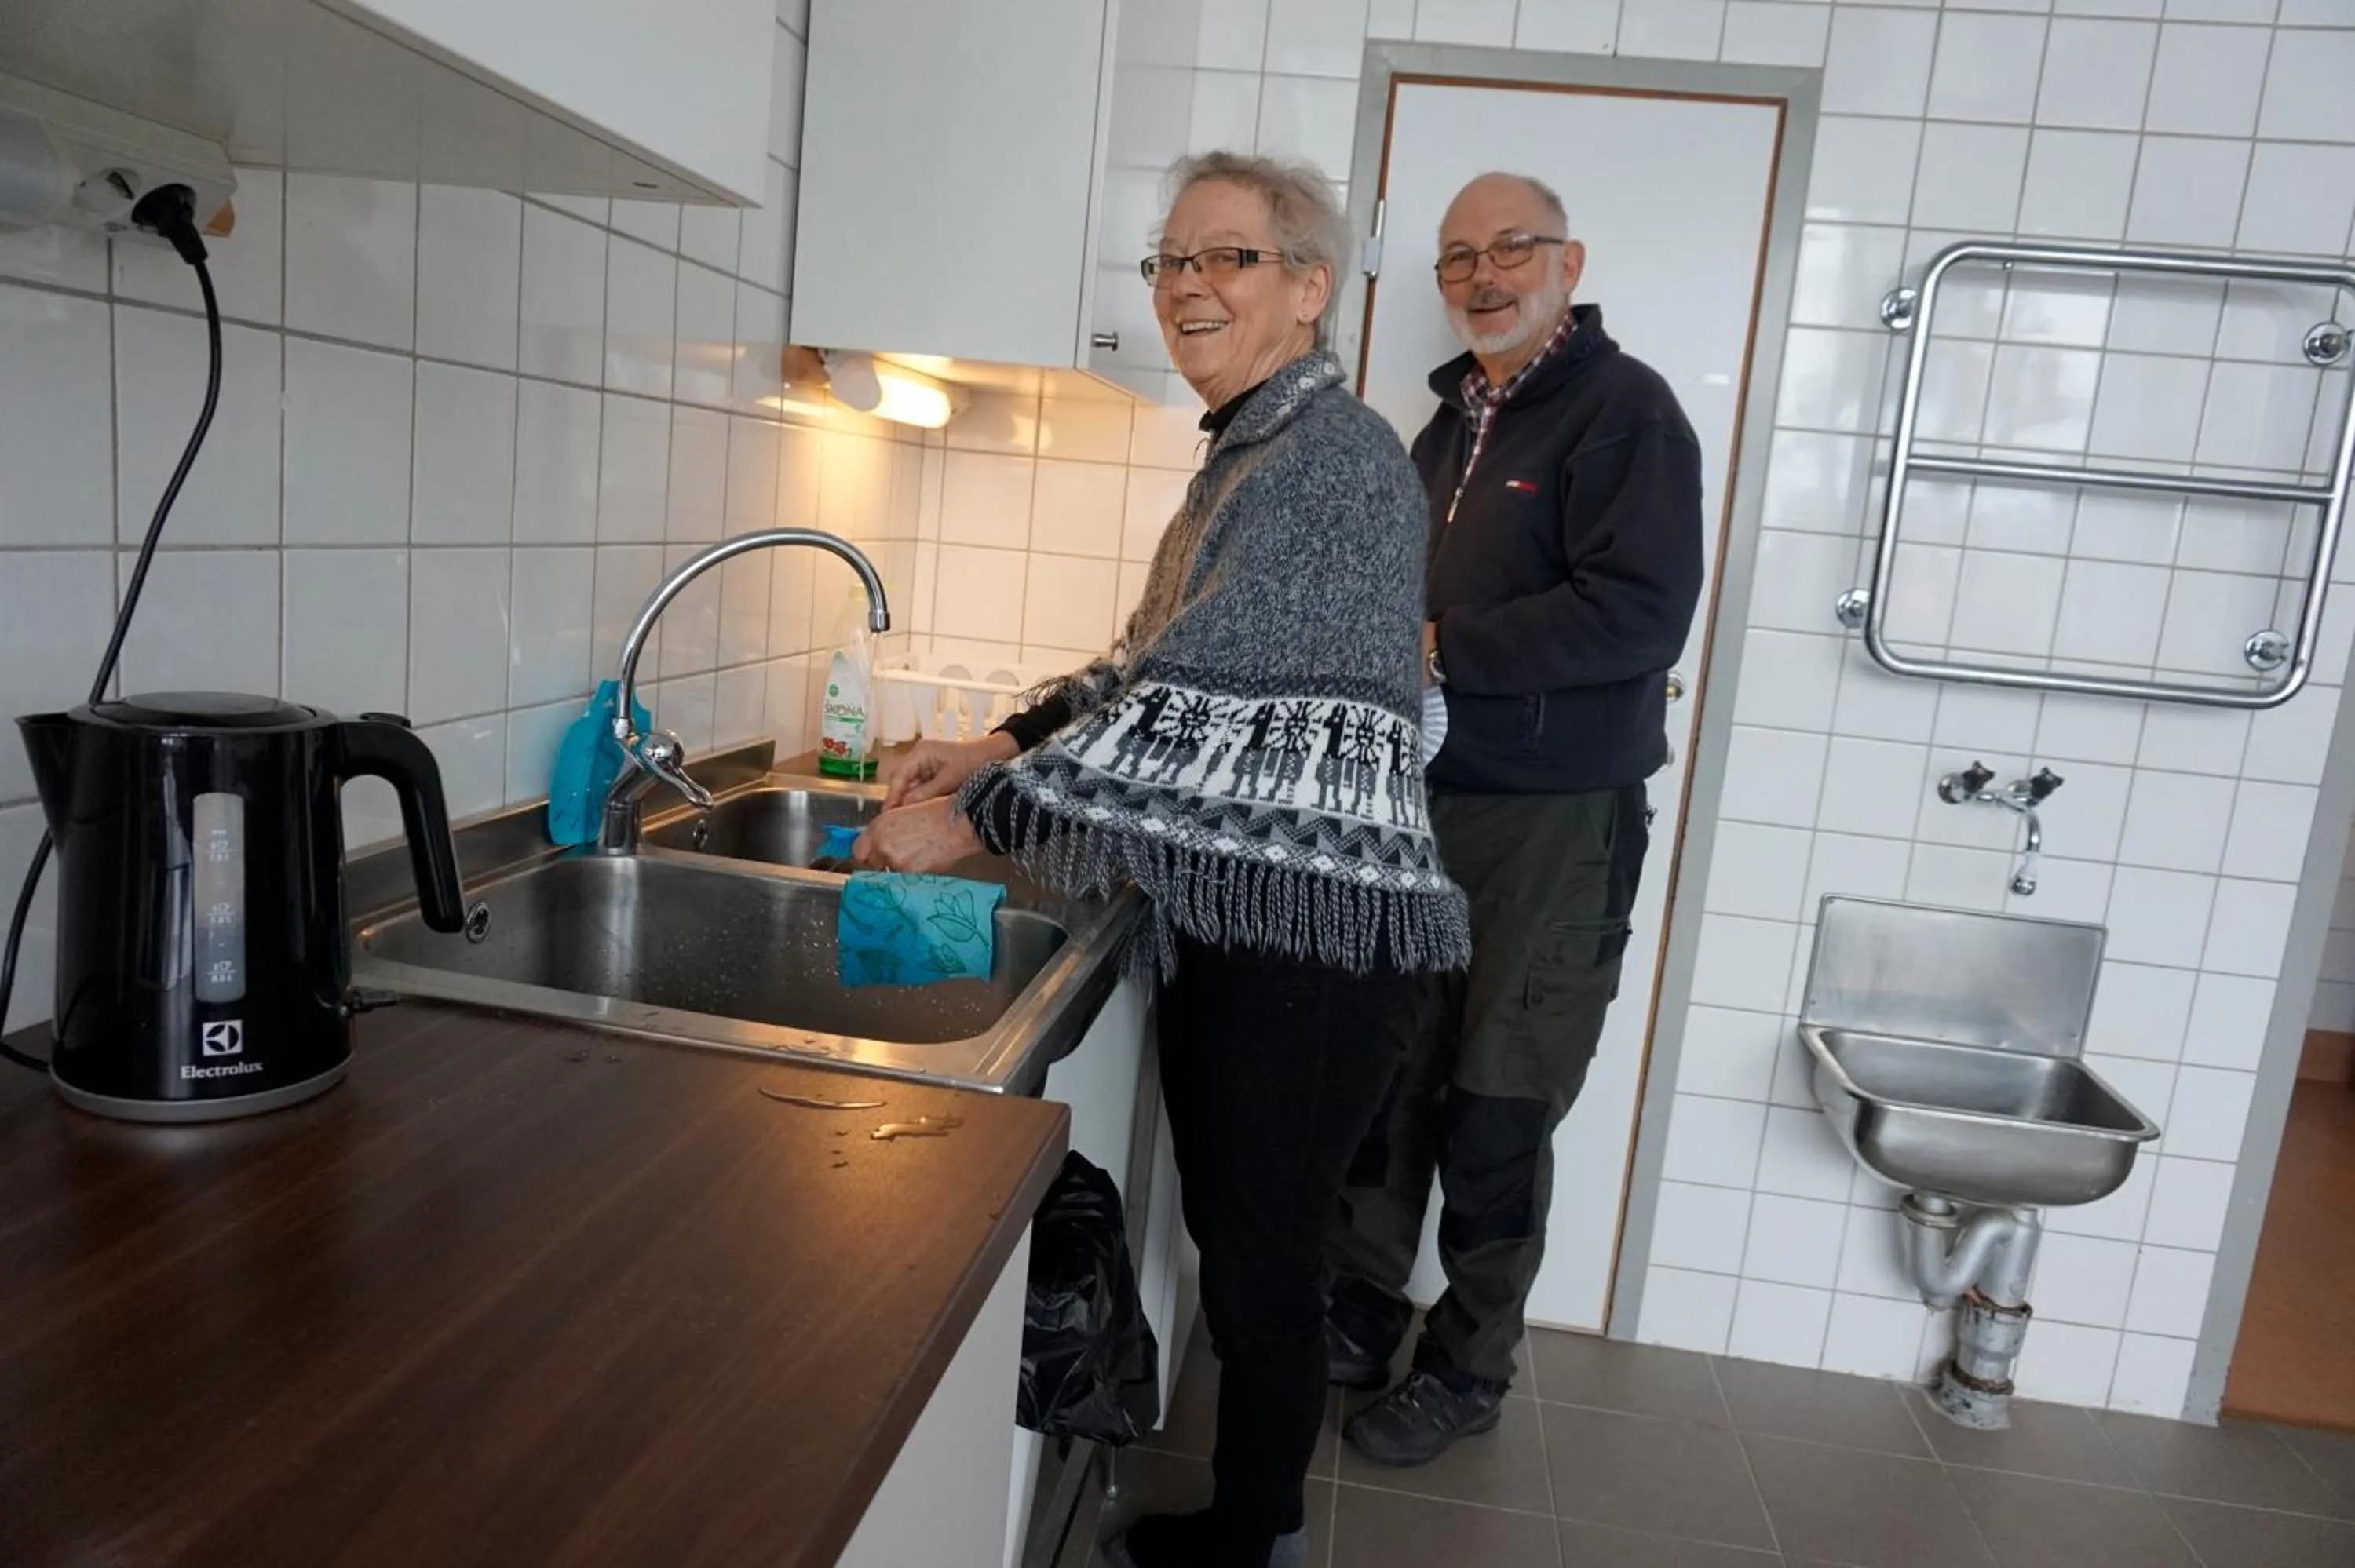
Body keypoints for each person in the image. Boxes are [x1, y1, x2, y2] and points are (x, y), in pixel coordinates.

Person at [853, 151, 1469, 1568]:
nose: (1189, 286)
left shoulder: (1327, 464)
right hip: (1269, 922)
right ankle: (1258, 1526)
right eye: (1171, 262)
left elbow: (1206, 710)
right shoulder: (1258, 448)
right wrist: (1003, 744)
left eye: (1229, 259)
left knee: (1265, 1273)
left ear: (1309, 288)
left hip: (1312, 944)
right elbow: (1154, 669)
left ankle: (1255, 1541)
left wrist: (980, 821)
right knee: (1257, 1255)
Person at [1323, 171, 1706, 1466]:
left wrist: (1440, 645)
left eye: (1510, 250)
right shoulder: (1446, 430)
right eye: (1455, 260)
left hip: (1554, 824)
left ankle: (1470, 1366)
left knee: (1498, 1101)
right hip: (1422, 806)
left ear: (1568, 259)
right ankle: (1366, 1306)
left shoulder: (1625, 412)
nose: (1482, 277)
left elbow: (1641, 616)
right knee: (1396, 1077)